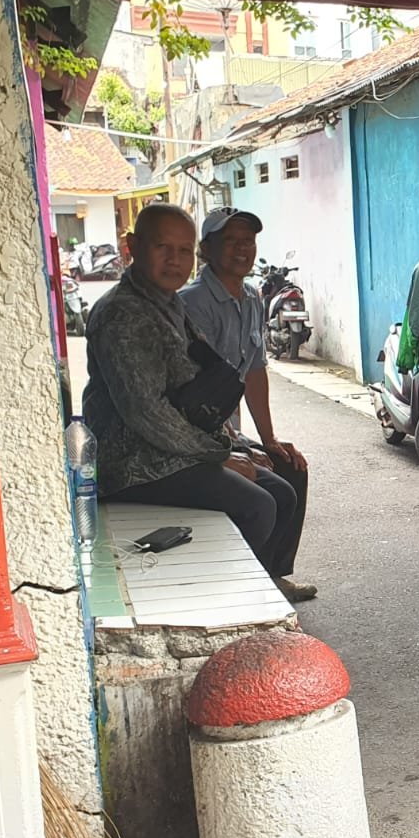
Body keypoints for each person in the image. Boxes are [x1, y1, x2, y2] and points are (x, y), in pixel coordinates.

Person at [82, 204, 306, 603]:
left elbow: (204, 386)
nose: (175, 260)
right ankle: (223, 601)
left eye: (183, 250)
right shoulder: (122, 313)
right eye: (162, 247)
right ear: (133, 246)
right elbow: (146, 412)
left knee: (282, 490)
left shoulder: (166, 303)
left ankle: (261, 590)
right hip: (134, 465)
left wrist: (237, 445)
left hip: (172, 452)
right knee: (257, 506)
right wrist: (218, 456)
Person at [177, 207, 315, 602]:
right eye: (230, 241)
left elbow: (254, 371)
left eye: (248, 241)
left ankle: (274, 574)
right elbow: (191, 392)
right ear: (206, 250)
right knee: (271, 492)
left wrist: (268, 440)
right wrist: (228, 451)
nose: (242, 249)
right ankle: (247, 584)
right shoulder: (192, 303)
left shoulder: (252, 297)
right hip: (198, 435)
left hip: (227, 431)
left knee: (291, 467)